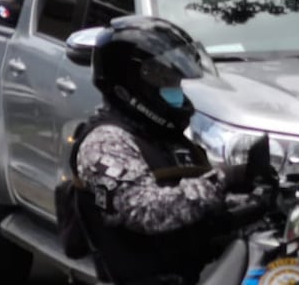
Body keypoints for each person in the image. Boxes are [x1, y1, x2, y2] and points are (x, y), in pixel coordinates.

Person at [68, 15, 272, 285]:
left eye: (176, 79)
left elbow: (192, 201)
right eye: (164, 78)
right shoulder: (105, 142)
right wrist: (223, 180)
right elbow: (144, 211)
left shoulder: (162, 136)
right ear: (129, 84)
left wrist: (257, 197)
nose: (174, 87)